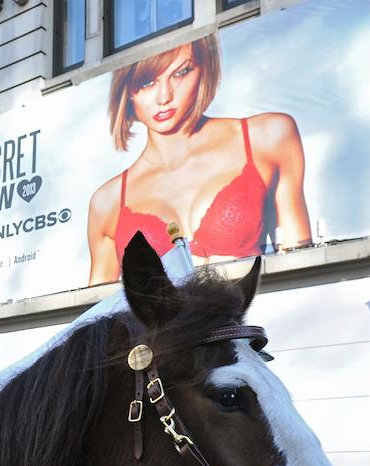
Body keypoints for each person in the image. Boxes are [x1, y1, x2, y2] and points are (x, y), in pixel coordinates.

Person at [86, 33, 312, 285]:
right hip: (163, 313)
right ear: (128, 91)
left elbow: (302, 263)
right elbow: (97, 304)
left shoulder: (267, 136)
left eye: (181, 73)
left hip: (250, 306)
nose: (164, 97)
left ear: (205, 68)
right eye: (148, 82)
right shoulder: (107, 201)